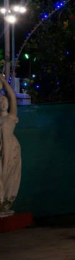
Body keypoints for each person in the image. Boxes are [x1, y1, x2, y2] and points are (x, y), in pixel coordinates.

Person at [0, 75, 20, 216]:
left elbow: (12, 97)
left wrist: (3, 82)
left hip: (11, 149)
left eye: (4, 100)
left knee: (9, 175)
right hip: (1, 148)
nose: (3, 103)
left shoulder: (11, 116)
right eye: (1, 101)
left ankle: (5, 203)